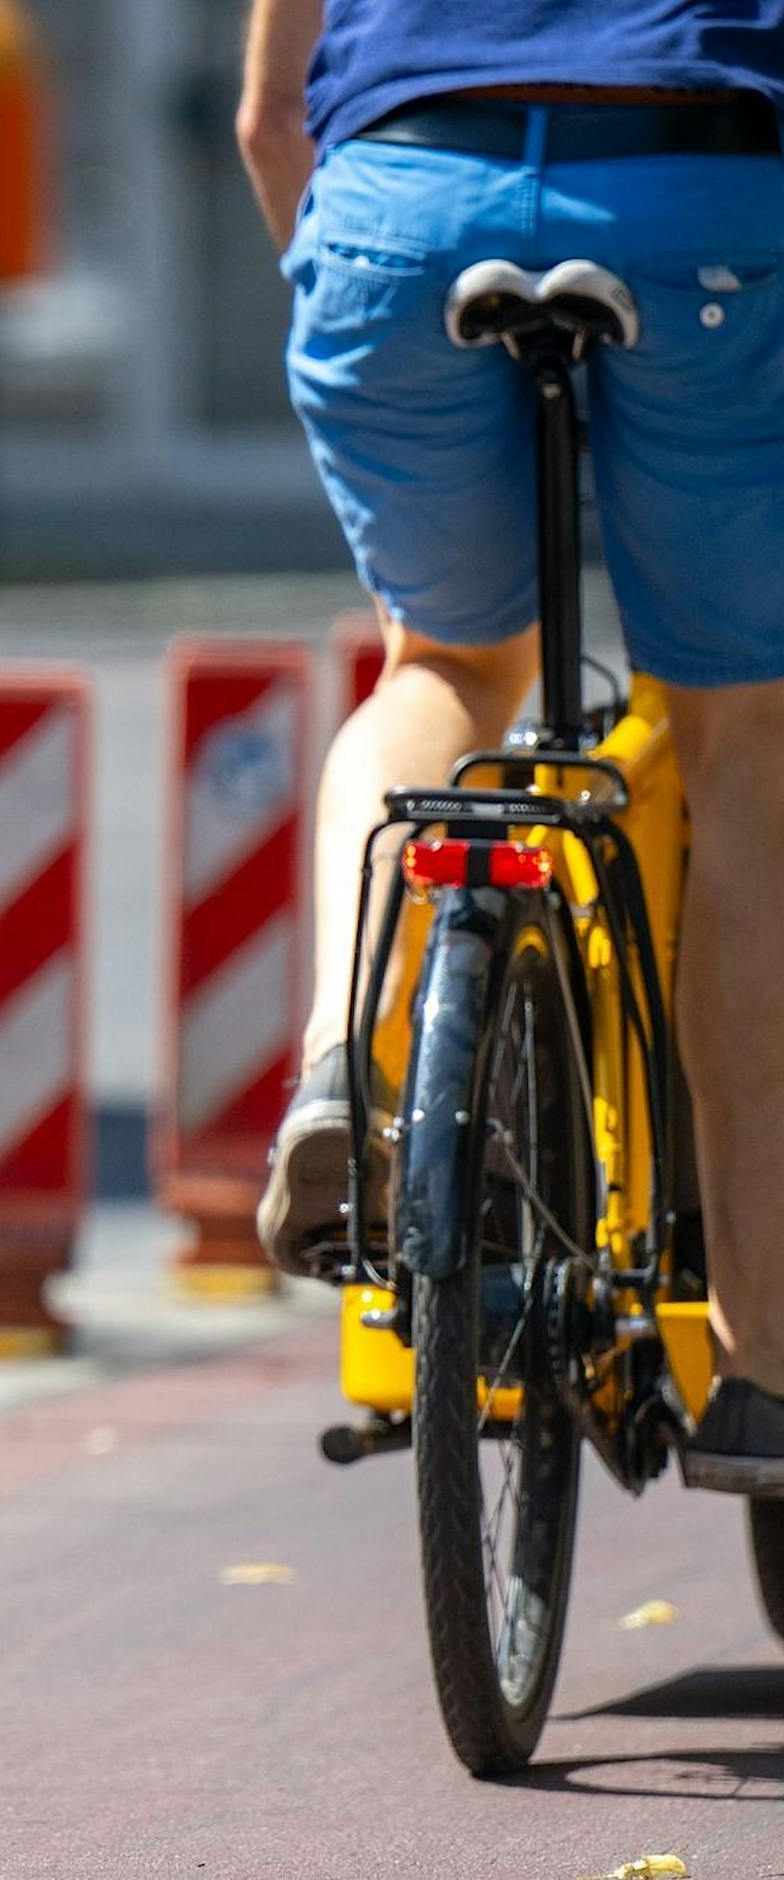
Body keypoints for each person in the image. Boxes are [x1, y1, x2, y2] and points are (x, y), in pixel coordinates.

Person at [240, 0, 784, 1492]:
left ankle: (345, 1060)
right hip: (697, 198)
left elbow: (264, 119)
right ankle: (765, 1367)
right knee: (744, 741)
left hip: (399, 203)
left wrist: (345, 279)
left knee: (448, 667)